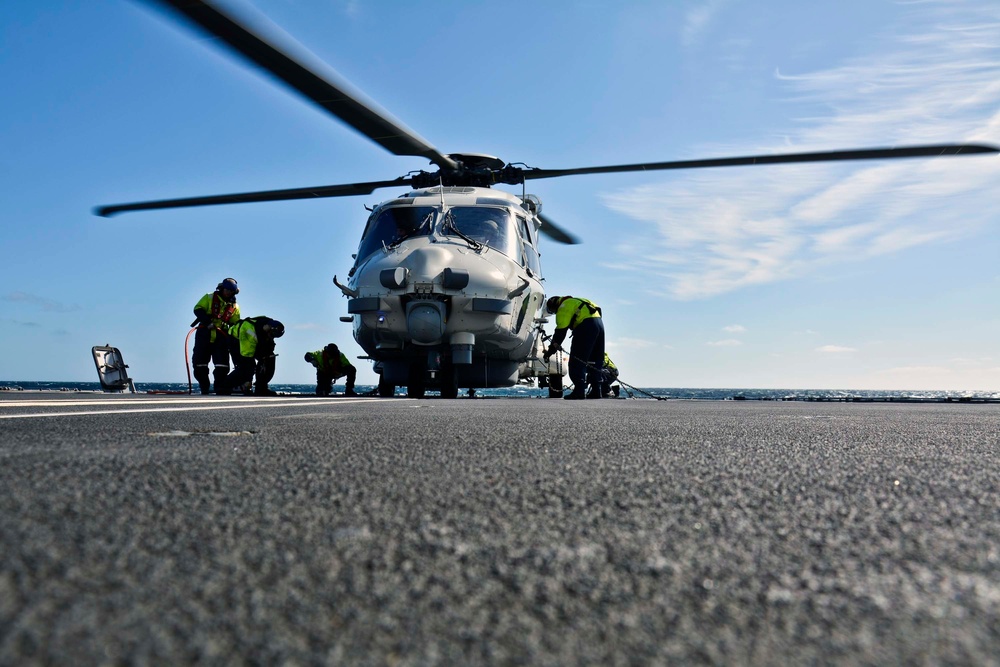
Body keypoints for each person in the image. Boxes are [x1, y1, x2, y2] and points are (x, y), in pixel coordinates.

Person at [543, 295, 605, 400]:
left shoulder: (563, 306)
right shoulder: (579, 300)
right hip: (599, 325)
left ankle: (579, 391)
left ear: (554, 305)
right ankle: (596, 391)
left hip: (585, 327)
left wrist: (550, 351)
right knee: (595, 361)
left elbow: (560, 332)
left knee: (577, 361)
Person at [191, 278, 241, 395]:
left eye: (230, 291)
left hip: (221, 337)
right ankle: (204, 387)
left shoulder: (235, 307)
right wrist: (208, 322)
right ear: (222, 288)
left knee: (222, 365)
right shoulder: (209, 297)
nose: (228, 292)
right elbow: (198, 309)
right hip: (204, 333)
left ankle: (220, 388)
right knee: (199, 363)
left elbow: (234, 323)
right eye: (226, 290)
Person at [222, 316, 284, 396]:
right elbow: (246, 354)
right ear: (268, 328)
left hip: (253, 342)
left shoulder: (265, 330)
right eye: (271, 334)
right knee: (247, 367)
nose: (270, 336)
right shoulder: (249, 331)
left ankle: (261, 388)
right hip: (236, 341)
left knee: (269, 358)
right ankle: (225, 386)